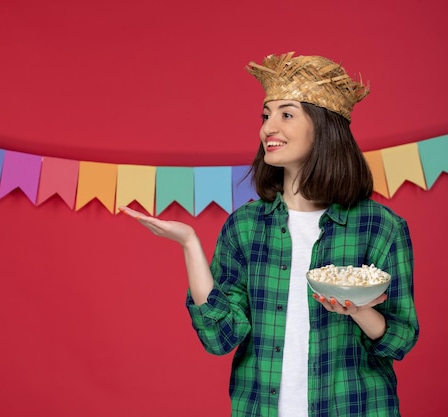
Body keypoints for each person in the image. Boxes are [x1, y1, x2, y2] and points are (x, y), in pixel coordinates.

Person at [120, 52, 419, 417]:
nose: (267, 128)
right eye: (266, 115)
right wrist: (190, 245)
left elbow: (400, 339)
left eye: (286, 114)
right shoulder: (245, 226)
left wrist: (357, 311)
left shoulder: (380, 227)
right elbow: (220, 338)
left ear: (324, 128)